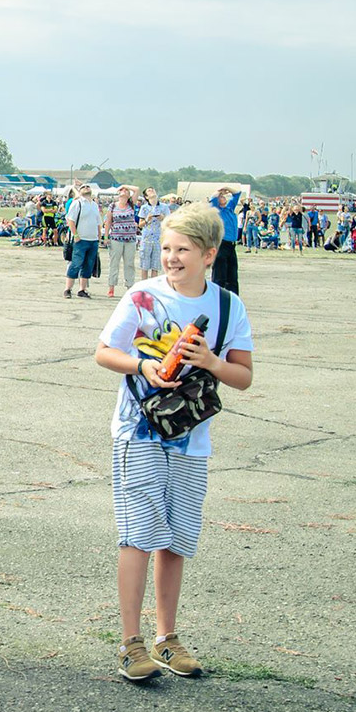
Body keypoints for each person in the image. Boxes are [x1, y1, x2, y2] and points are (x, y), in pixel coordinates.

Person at [93, 203, 254, 682]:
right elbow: (104, 352)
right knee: (139, 535)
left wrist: (211, 362)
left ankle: (167, 638)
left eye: (182, 249)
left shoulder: (228, 306)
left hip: (190, 438)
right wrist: (143, 366)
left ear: (209, 254)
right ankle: (131, 643)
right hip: (138, 430)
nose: (171, 258)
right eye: (166, 248)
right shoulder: (142, 295)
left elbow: (243, 376)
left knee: (177, 537)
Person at [63, 184, 101, 299]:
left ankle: (82, 289)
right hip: (81, 240)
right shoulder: (77, 203)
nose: (86, 187)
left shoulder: (94, 205)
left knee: (88, 265)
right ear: (79, 191)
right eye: (83, 187)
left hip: (93, 239)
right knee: (75, 264)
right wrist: (76, 235)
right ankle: (68, 289)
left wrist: (99, 236)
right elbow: (70, 220)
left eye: (88, 186)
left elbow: (98, 222)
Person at [103, 186, 140, 298]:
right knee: (114, 263)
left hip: (130, 239)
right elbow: (108, 222)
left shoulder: (131, 204)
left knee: (129, 264)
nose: (124, 191)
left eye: (126, 191)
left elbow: (137, 189)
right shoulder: (113, 206)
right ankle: (111, 287)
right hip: (116, 238)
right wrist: (106, 237)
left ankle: (130, 286)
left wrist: (124, 186)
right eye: (122, 190)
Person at [208, 187, 242, 294]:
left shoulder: (229, 209)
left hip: (231, 245)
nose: (223, 197)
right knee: (219, 275)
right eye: (221, 197)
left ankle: (233, 298)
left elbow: (237, 193)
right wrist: (219, 191)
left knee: (232, 276)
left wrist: (227, 188)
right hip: (221, 244)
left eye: (223, 196)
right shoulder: (216, 211)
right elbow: (212, 197)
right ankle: (217, 297)